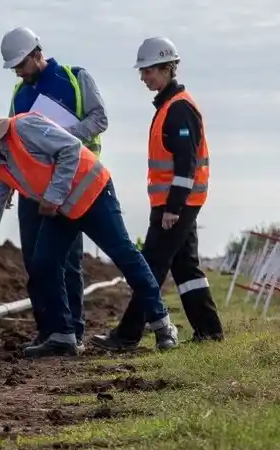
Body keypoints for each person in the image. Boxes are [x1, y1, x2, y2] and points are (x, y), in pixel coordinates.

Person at [0, 107, 179, 358]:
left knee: (125, 256)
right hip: (63, 210)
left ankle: (163, 325)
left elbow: (70, 149)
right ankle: (63, 336)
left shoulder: (23, 127)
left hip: (94, 195)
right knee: (43, 264)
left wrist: (54, 195)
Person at [90, 37, 224, 352]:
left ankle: (127, 335)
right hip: (175, 203)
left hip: (176, 204)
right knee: (185, 268)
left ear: (167, 68)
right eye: (143, 71)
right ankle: (210, 332)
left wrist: (174, 207)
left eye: (149, 71)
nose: (144, 77)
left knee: (149, 266)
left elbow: (186, 163)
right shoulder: (169, 106)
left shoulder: (178, 109)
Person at [0, 27, 111, 349]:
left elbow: (99, 119)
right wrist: (13, 185)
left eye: (20, 65)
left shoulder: (75, 78)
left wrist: (61, 137)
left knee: (67, 260)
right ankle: (49, 329)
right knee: (35, 259)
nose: (17, 72)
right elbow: (13, 140)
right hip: (33, 189)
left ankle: (73, 330)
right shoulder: (19, 93)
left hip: (71, 182)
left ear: (37, 54)